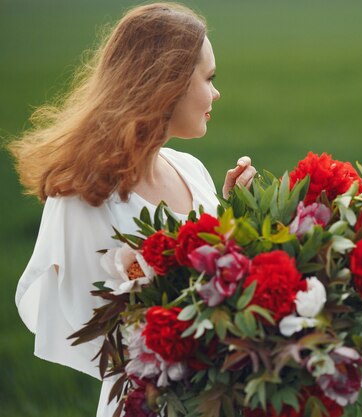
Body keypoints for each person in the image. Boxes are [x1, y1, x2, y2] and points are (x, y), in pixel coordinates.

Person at [9, 3, 257, 416]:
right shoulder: (84, 195)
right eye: (209, 78)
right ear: (168, 82)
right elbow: (104, 335)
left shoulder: (191, 170)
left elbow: (217, 283)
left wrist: (236, 219)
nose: (216, 92)